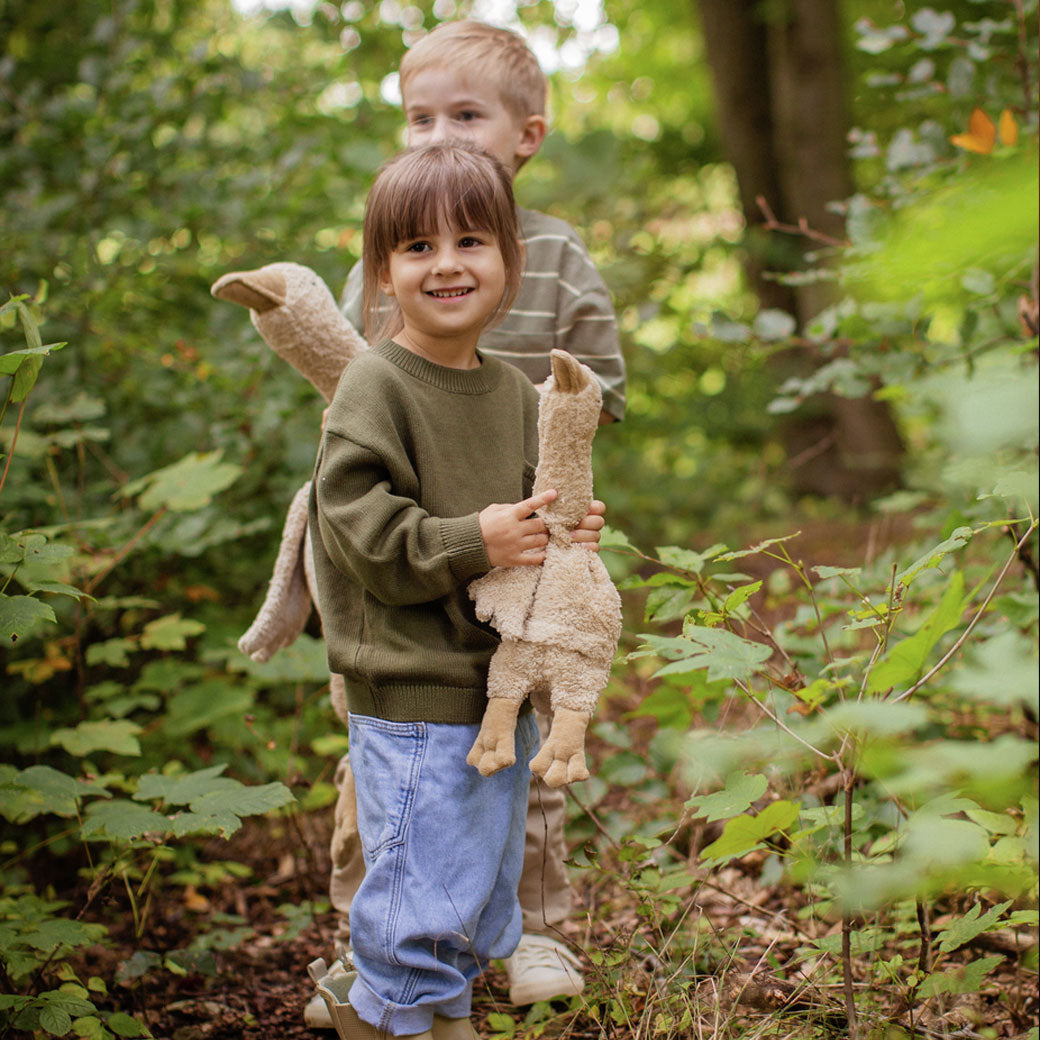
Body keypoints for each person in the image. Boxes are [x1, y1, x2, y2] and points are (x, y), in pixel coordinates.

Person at [310, 21, 627, 1028]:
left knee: (473, 843)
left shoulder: (501, 384)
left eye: (469, 243)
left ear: (511, 258)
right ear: (381, 274)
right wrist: (474, 540)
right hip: (405, 662)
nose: (445, 264)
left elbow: (534, 482)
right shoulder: (376, 382)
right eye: (415, 248)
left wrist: (561, 527)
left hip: (486, 661)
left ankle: (453, 972)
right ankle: (388, 993)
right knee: (405, 830)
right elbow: (360, 520)